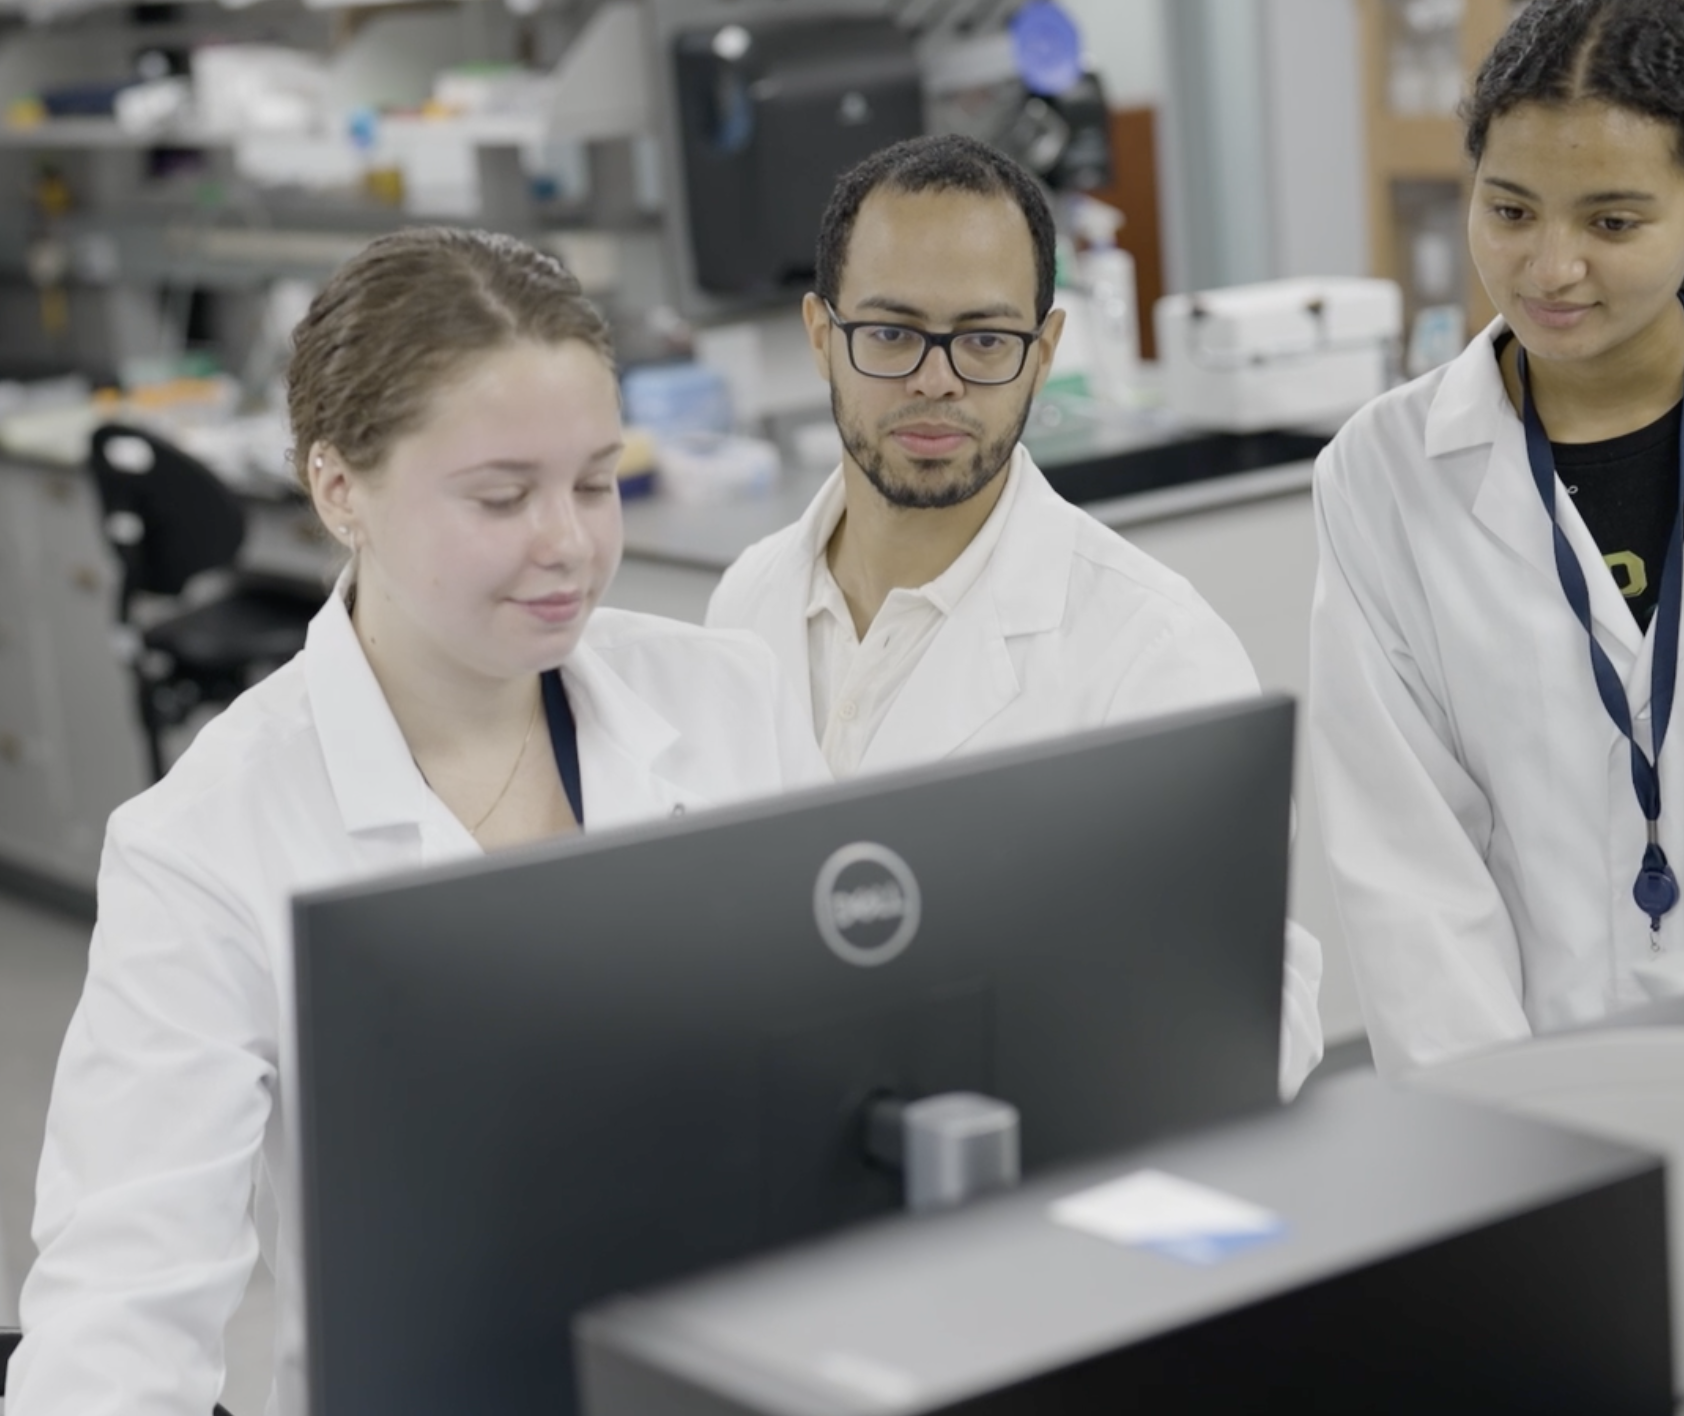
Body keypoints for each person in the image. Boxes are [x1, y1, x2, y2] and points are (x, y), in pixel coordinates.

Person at [0, 227, 825, 1416]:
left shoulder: (722, 701)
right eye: (501, 494)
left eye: (595, 479)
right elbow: (130, 1273)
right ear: (336, 487)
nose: (568, 540)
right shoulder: (212, 832)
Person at [708, 133, 1324, 1094]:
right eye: (891, 332)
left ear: (1045, 354)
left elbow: (1253, 1015)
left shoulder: (1154, 652)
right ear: (821, 334)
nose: (937, 379)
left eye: (986, 340)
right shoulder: (747, 600)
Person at [1308, 0, 1684, 1075]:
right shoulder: (1381, 475)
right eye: (1510, 210)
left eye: (1611, 223)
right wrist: (1505, 1137)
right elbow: (1404, 867)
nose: (1547, 267)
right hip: (1529, 1093)